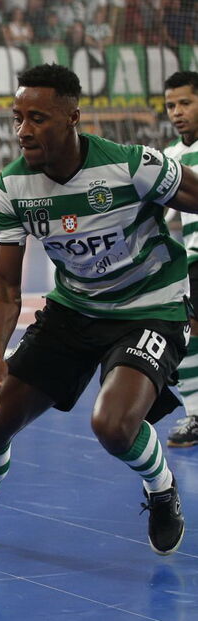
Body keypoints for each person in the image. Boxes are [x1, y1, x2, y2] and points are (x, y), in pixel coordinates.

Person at [0, 64, 198, 558]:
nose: (23, 130)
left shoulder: (132, 165)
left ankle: (161, 491)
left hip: (150, 307)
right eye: (17, 118)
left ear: (73, 117)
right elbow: (7, 284)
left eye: (38, 118)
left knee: (113, 426)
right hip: (73, 311)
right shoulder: (13, 188)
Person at [164, 71, 198, 448]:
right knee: (189, 335)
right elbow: (158, 218)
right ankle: (195, 414)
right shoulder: (171, 158)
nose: (177, 112)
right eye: (171, 105)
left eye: (186, 103)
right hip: (193, 262)